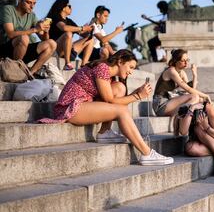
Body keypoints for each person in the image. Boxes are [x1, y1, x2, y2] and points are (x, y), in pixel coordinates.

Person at [38, 49, 173, 166]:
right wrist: (137, 96)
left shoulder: (108, 74)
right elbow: (110, 100)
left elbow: (113, 99)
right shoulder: (102, 68)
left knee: (120, 87)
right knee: (121, 110)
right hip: (70, 107)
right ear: (120, 61)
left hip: (83, 103)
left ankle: (104, 132)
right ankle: (146, 153)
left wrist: (135, 94)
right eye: (130, 67)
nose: (131, 72)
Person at [0, 0, 56, 75]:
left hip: (21, 52)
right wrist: (35, 29)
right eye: (29, 2)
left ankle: (29, 74)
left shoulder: (32, 15)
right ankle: (14, 71)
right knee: (24, 38)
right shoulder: (8, 9)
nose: (32, 6)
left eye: (34, 3)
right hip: (5, 50)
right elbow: (10, 34)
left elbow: (45, 41)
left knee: (52, 43)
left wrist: (46, 31)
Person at [152, 49, 211, 117]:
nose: (186, 63)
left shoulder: (182, 73)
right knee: (195, 97)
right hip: (160, 105)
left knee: (199, 99)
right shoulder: (171, 71)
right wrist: (206, 95)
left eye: (187, 60)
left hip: (170, 101)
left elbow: (191, 90)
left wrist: (195, 75)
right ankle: (182, 114)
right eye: (183, 61)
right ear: (176, 61)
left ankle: (184, 114)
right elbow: (188, 89)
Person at [46, 0, 94, 70]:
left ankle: (83, 66)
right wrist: (82, 28)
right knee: (68, 34)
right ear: (63, 8)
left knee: (90, 40)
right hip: (56, 50)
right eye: (69, 6)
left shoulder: (69, 21)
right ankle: (67, 63)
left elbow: (82, 33)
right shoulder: (55, 17)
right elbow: (64, 28)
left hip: (70, 51)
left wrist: (89, 31)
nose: (71, 8)